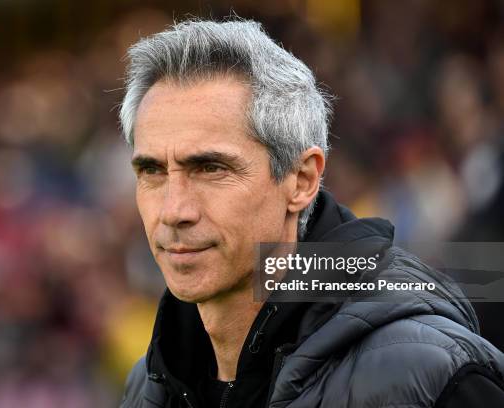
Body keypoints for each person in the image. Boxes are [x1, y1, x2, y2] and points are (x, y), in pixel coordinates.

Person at [117, 18, 504, 408]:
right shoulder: (149, 385)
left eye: (211, 168)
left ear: (301, 181)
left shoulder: (431, 378)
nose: (173, 210)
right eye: (152, 171)